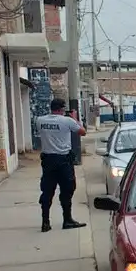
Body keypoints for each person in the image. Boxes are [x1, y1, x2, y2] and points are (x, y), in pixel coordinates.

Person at [36, 98, 88, 233]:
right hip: (63, 161)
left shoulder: (40, 120)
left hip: (48, 161)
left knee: (47, 191)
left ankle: (45, 222)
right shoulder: (67, 121)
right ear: (62, 109)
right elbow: (82, 132)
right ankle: (67, 219)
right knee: (67, 190)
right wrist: (75, 118)